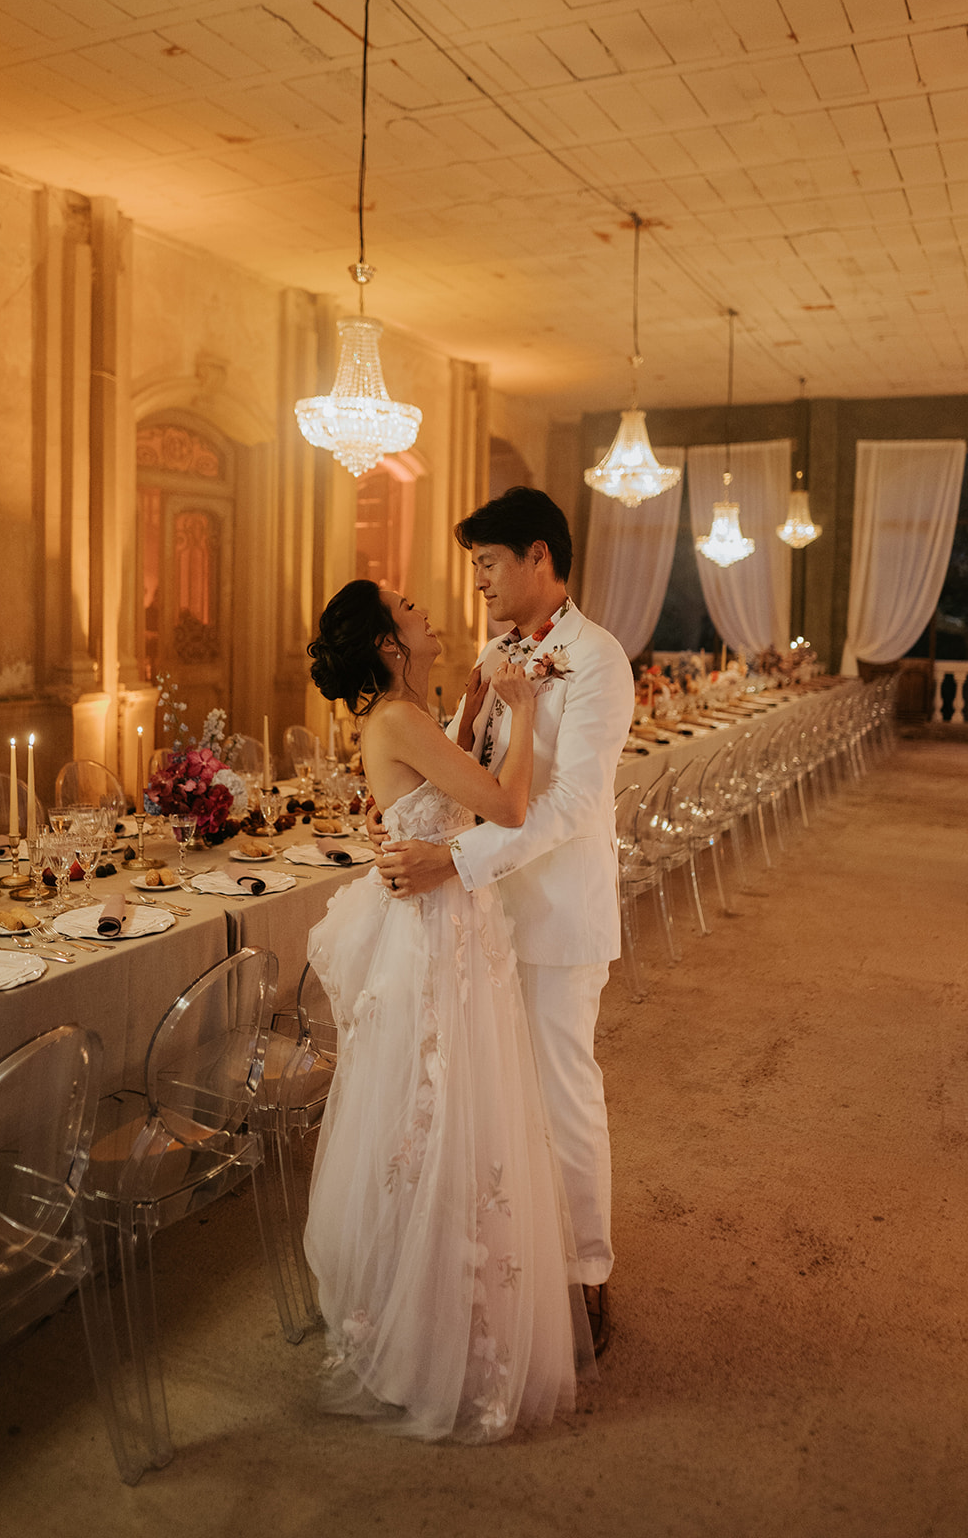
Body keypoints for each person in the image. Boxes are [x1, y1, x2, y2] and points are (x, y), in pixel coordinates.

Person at [302, 579, 594, 1444]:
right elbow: (503, 806)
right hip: (435, 935)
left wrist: (470, 719)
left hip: (446, 923)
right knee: (434, 1113)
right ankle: (425, 1320)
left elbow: (446, 796)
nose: (425, 608)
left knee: (442, 1112)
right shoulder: (396, 720)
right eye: (407, 607)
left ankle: (436, 1301)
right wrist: (524, 714)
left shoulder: (408, 716)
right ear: (391, 644)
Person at [374, 487, 635, 1357]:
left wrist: (453, 862)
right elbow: (470, 766)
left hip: (557, 914)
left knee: (562, 1094)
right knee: (493, 1097)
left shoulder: (597, 658)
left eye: (488, 563)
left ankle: (587, 1272)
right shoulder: (495, 650)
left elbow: (567, 803)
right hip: (482, 918)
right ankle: (512, 1263)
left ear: (537, 557)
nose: (477, 581)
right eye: (473, 566)